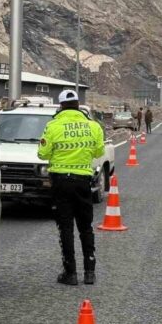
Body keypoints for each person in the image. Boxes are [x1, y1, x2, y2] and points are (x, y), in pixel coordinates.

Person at [38, 89, 105, 286]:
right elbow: (99, 150)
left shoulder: (53, 126)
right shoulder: (93, 126)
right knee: (86, 226)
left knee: (65, 227)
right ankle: (90, 273)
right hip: (83, 181)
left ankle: (71, 273)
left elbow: (42, 154)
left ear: (61, 106)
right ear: (78, 105)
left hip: (60, 182)